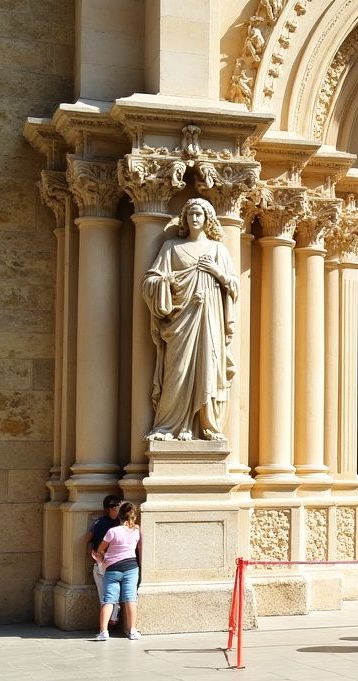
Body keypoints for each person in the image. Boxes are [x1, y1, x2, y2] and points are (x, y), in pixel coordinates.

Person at [141, 197, 238, 441]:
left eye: (199, 214)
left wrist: (217, 273)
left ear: (208, 219)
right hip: (180, 320)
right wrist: (166, 282)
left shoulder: (218, 250)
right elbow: (150, 281)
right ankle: (168, 426)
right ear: (184, 218)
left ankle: (207, 426)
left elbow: (234, 287)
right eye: (191, 214)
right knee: (177, 370)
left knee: (209, 367)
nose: (194, 218)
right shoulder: (171, 247)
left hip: (210, 320)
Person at [92, 502, 141, 641]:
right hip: (131, 567)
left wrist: (100, 558)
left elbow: (101, 549)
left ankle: (103, 632)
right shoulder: (136, 531)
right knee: (130, 598)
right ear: (133, 516)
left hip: (112, 568)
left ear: (119, 516)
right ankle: (132, 630)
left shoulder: (112, 531)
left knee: (108, 599)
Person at [84, 495, 123, 629]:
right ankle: (108, 622)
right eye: (119, 505)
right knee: (106, 595)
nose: (120, 508)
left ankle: (112, 619)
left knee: (113, 593)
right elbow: (88, 538)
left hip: (116, 563)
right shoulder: (101, 523)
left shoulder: (121, 522)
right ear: (111, 508)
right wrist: (92, 553)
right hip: (102, 563)